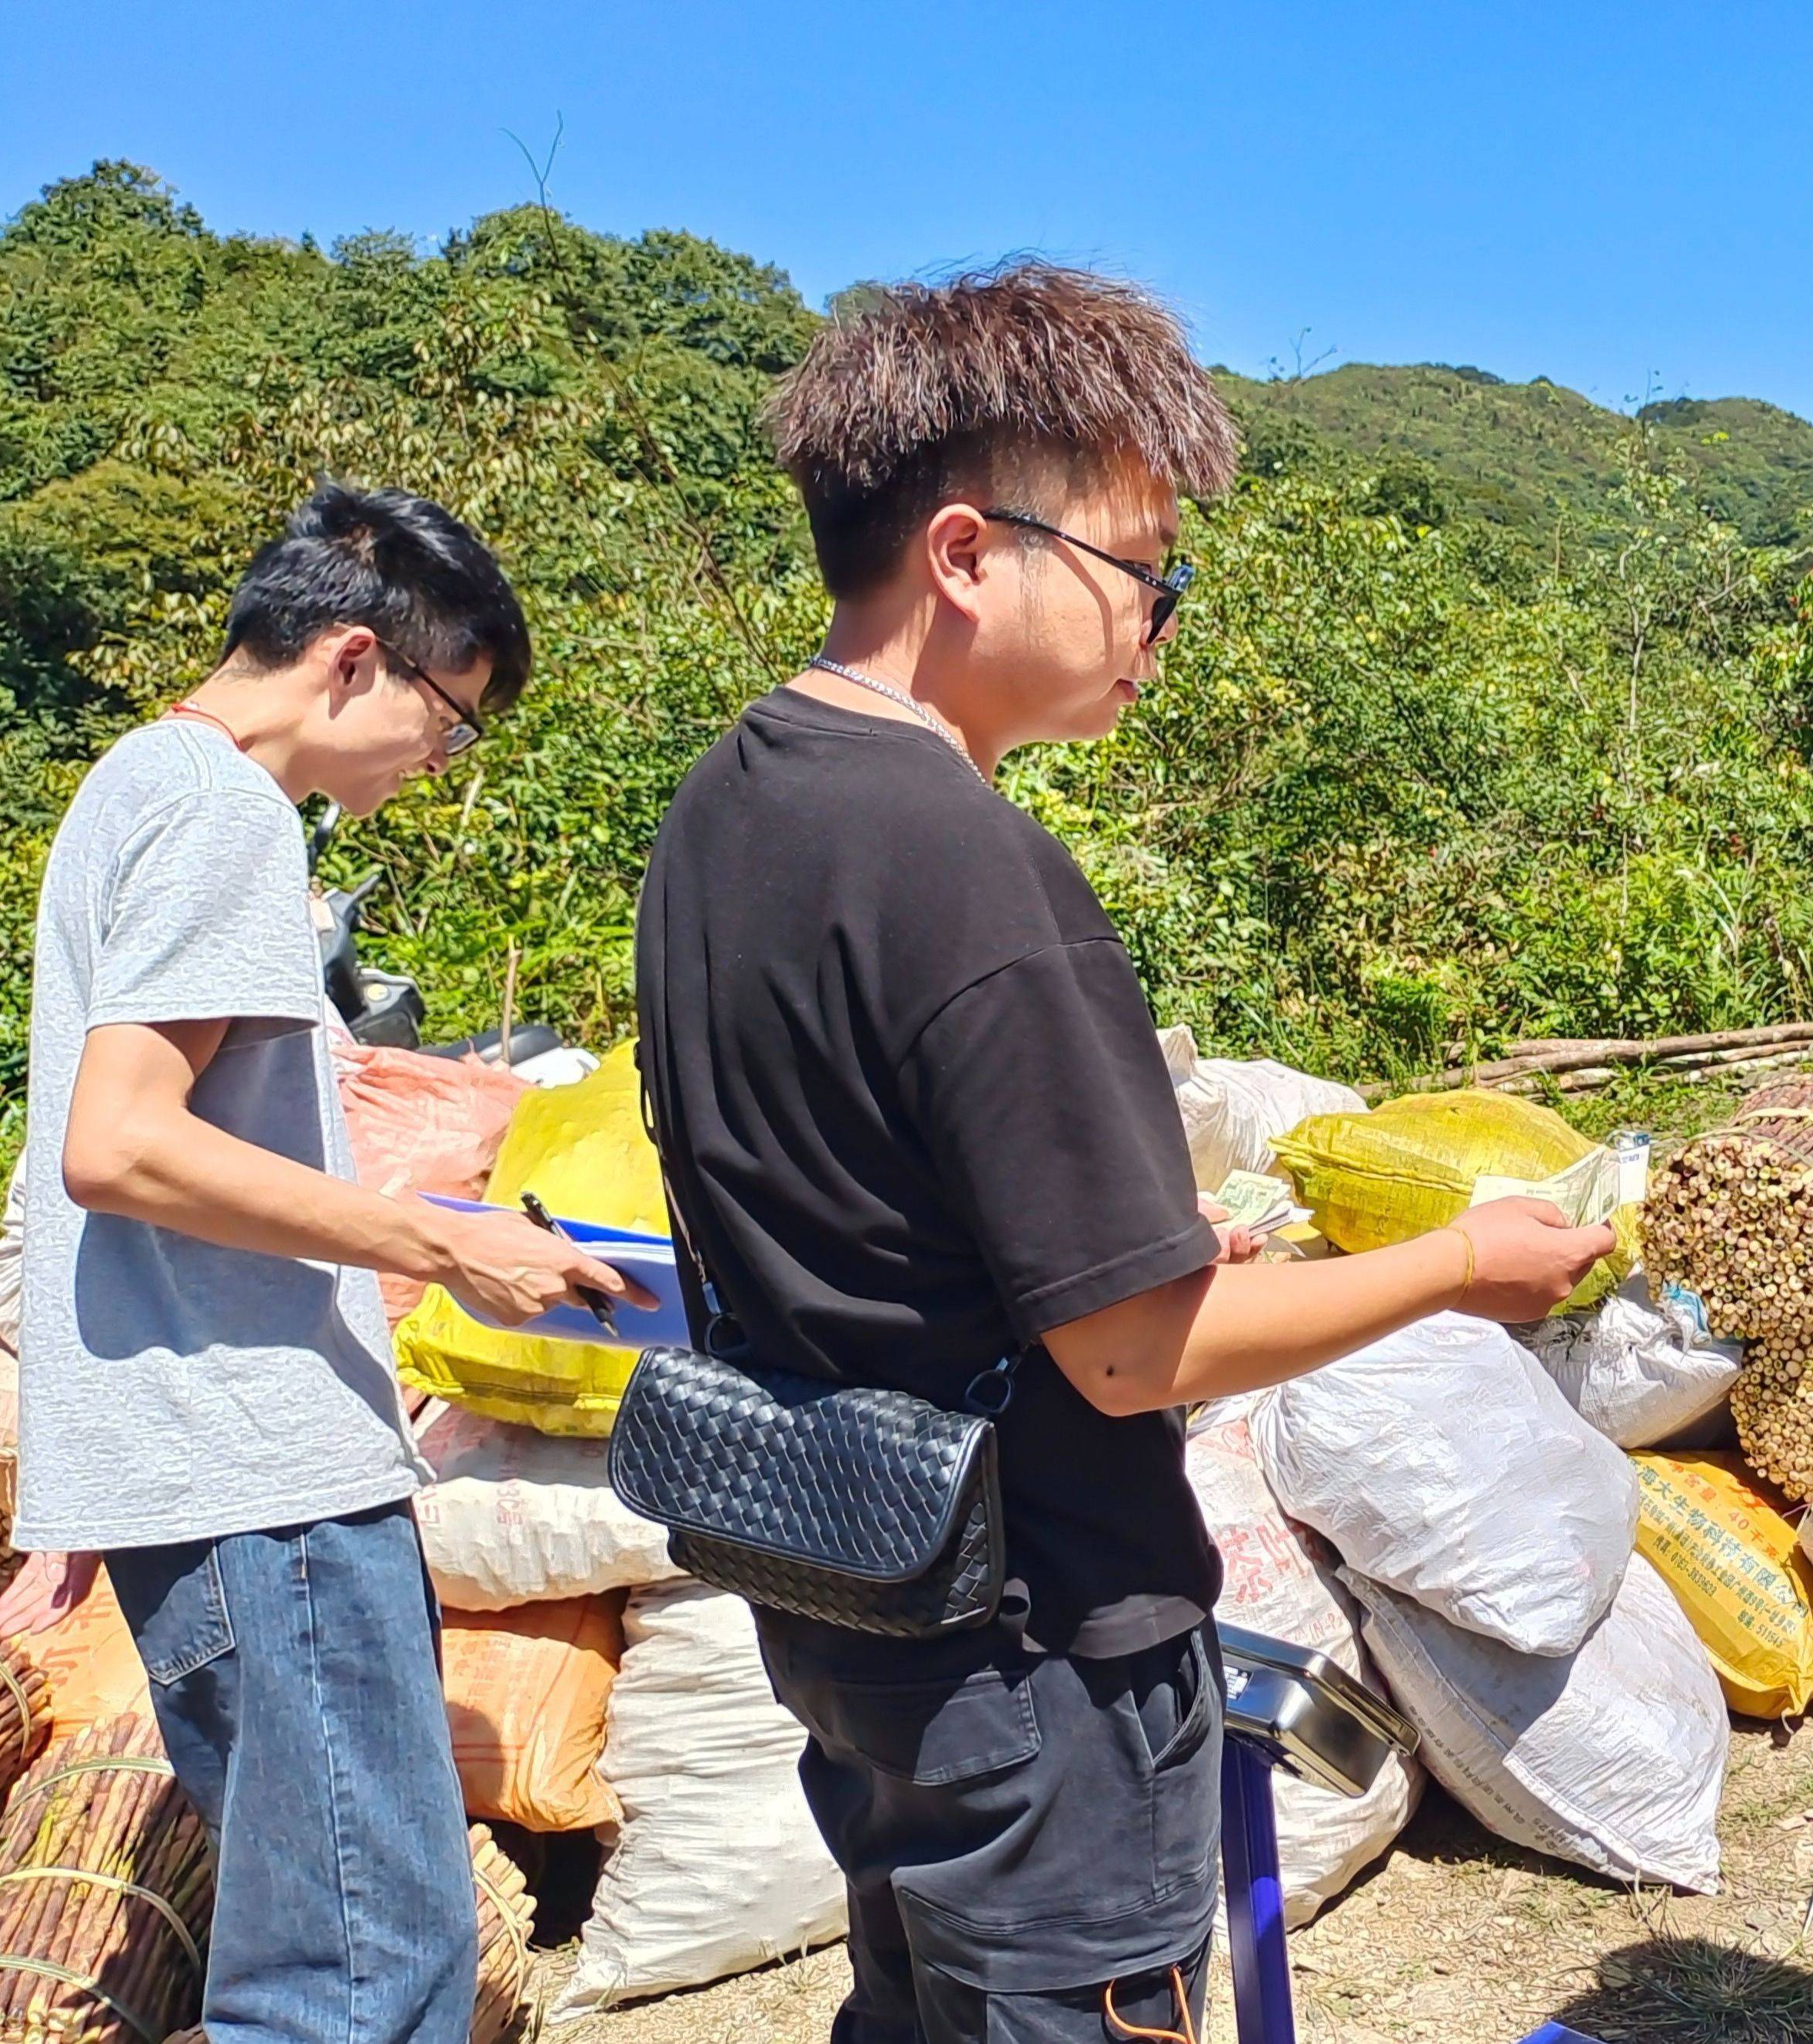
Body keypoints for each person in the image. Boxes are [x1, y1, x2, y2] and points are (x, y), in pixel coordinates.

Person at [634, 264, 1615, 2044]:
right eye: (1140, 570)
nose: (1158, 622)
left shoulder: (726, 804)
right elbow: (1130, 1354)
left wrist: (1112, 1257)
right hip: (1034, 1645)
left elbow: (860, 1211)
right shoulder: (969, 864)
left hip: (846, 1595)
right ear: (962, 554)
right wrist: (1462, 1268)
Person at [22, 484, 642, 2044]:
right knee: (362, 1969)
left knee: (336, 1947)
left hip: (219, 1468)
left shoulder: (137, 785)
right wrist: (440, 1240)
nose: (444, 759)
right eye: (454, 715)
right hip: (257, 1476)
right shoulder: (222, 805)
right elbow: (123, 1142)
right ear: (354, 659)